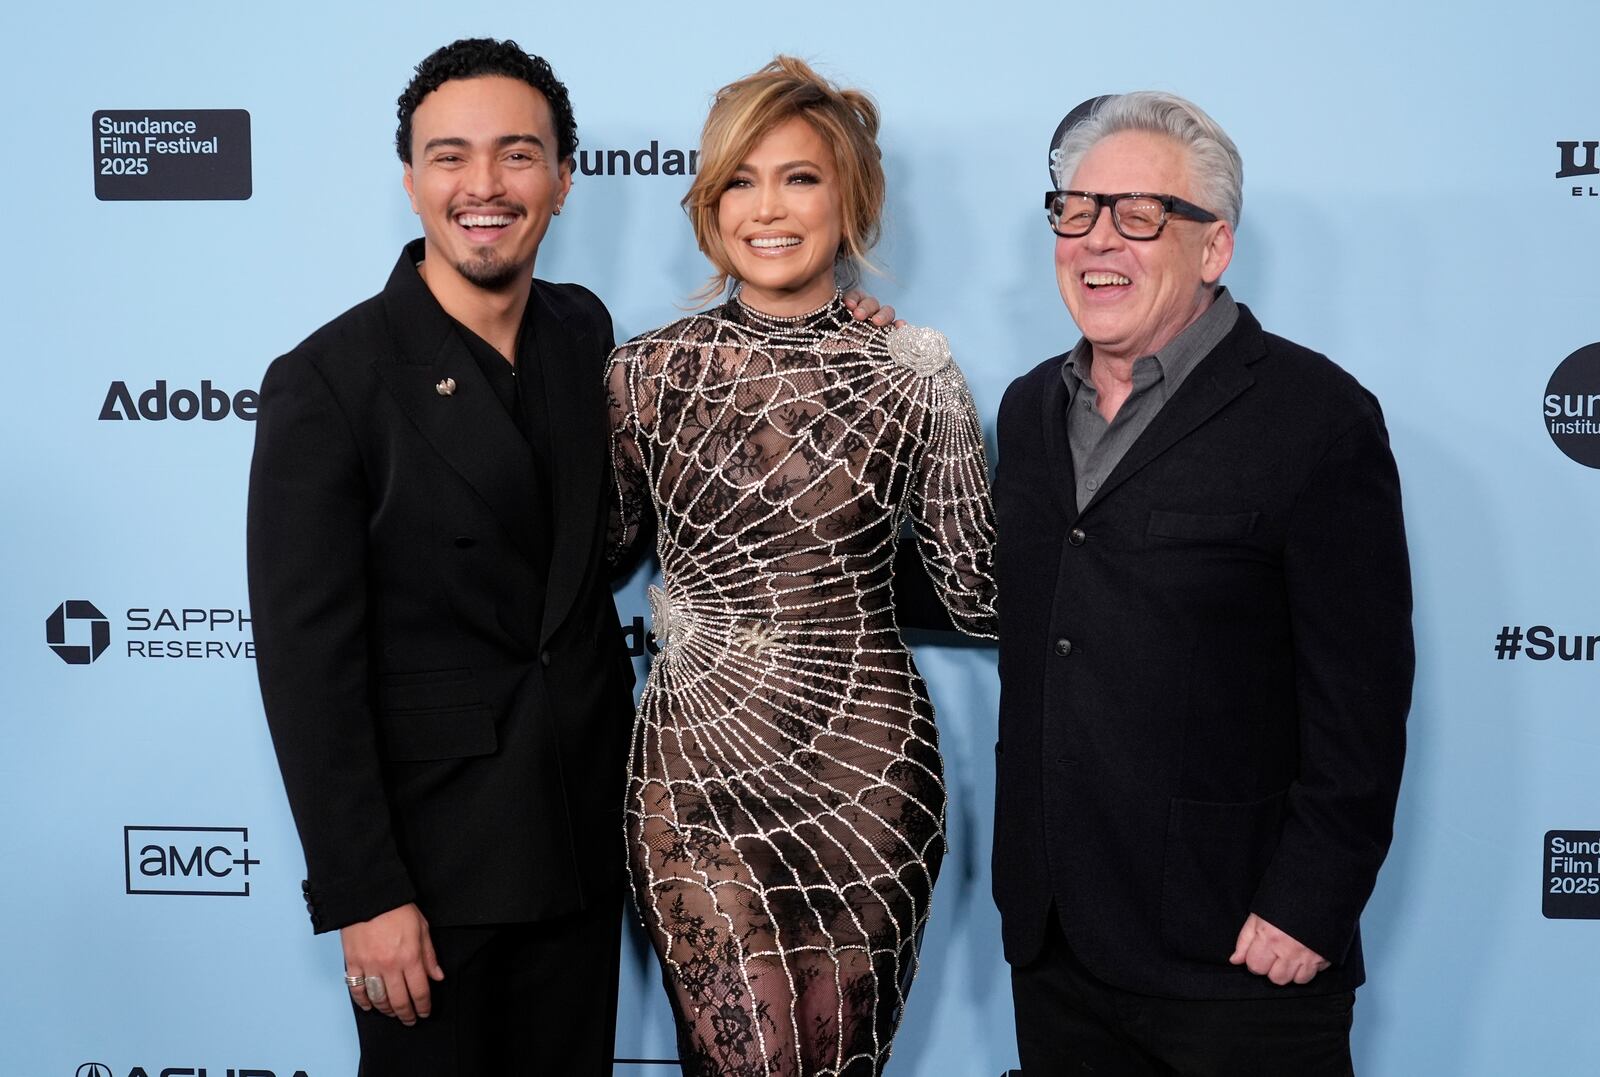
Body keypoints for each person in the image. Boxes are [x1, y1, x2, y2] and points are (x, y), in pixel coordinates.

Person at [248, 38, 897, 1076]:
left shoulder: (580, 334)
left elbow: (645, 517)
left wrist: (832, 338)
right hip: (435, 873)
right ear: (412, 181)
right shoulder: (329, 383)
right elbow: (303, 667)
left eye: (517, 155)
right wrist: (364, 894)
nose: (484, 186)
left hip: (588, 845)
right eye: (450, 157)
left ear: (561, 178)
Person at [992, 91, 1414, 1076]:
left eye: (1138, 215)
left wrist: (1308, 908)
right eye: (1075, 209)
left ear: (1213, 248)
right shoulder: (1023, 411)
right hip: (1055, 948)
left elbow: (1360, 701)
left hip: (1239, 962)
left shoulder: (1317, 419)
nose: (1098, 240)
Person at [607, 56, 997, 1077]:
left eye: (799, 177)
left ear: (850, 198)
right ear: (707, 203)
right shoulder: (643, 371)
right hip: (693, 774)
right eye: (739, 179)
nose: (767, 208)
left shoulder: (916, 373)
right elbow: (592, 554)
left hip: (866, 771)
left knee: (833, 1064)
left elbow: (974, 591)